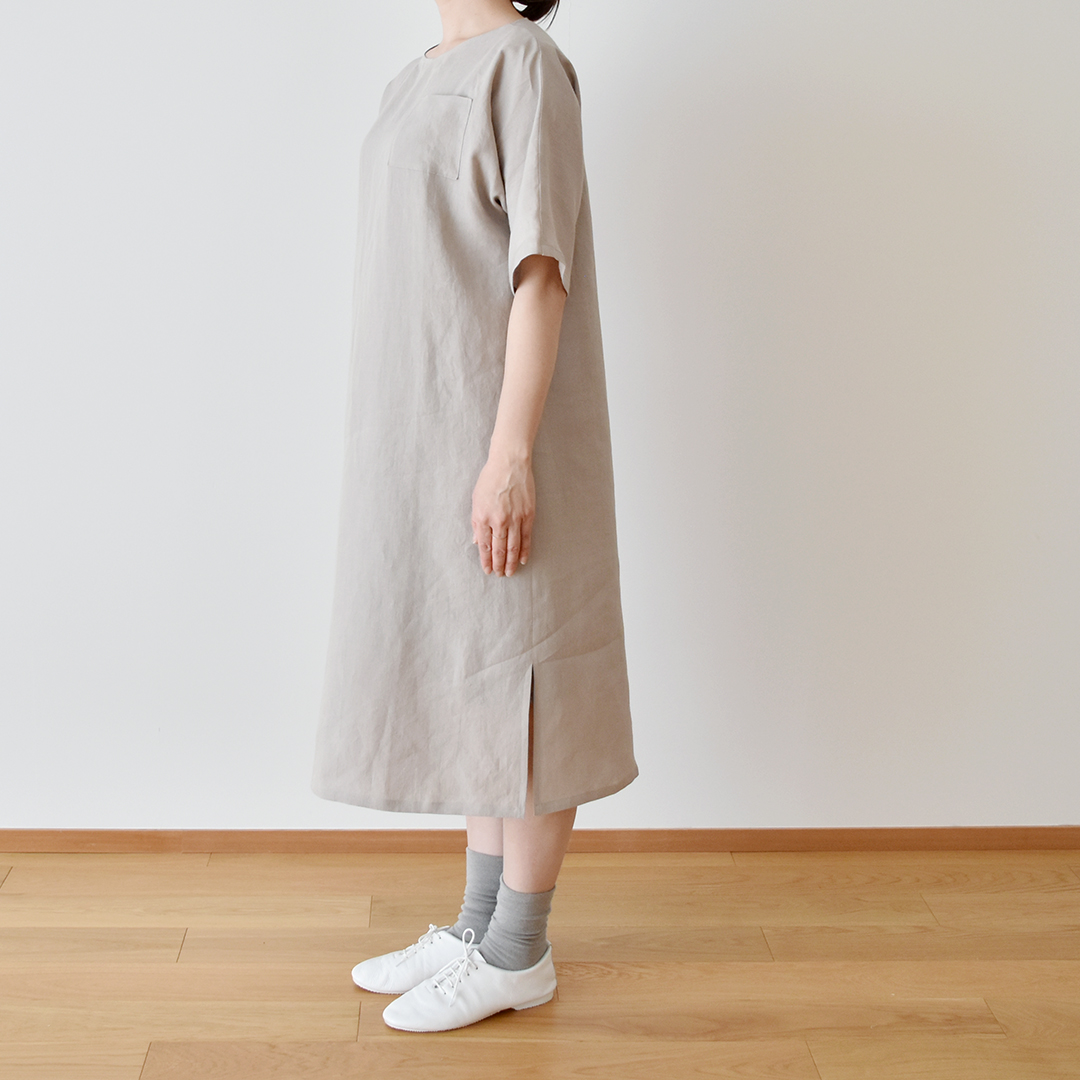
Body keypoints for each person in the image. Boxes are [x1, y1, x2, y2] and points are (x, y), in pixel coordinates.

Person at [311, 0, 637, 1033]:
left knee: (526, 675)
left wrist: (510, 454)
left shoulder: (526, 63)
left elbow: (541, 267)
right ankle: (476, 927)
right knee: (476, 676)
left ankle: (519, 950)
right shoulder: (415, 75)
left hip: (503, 430)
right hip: (426, 433)